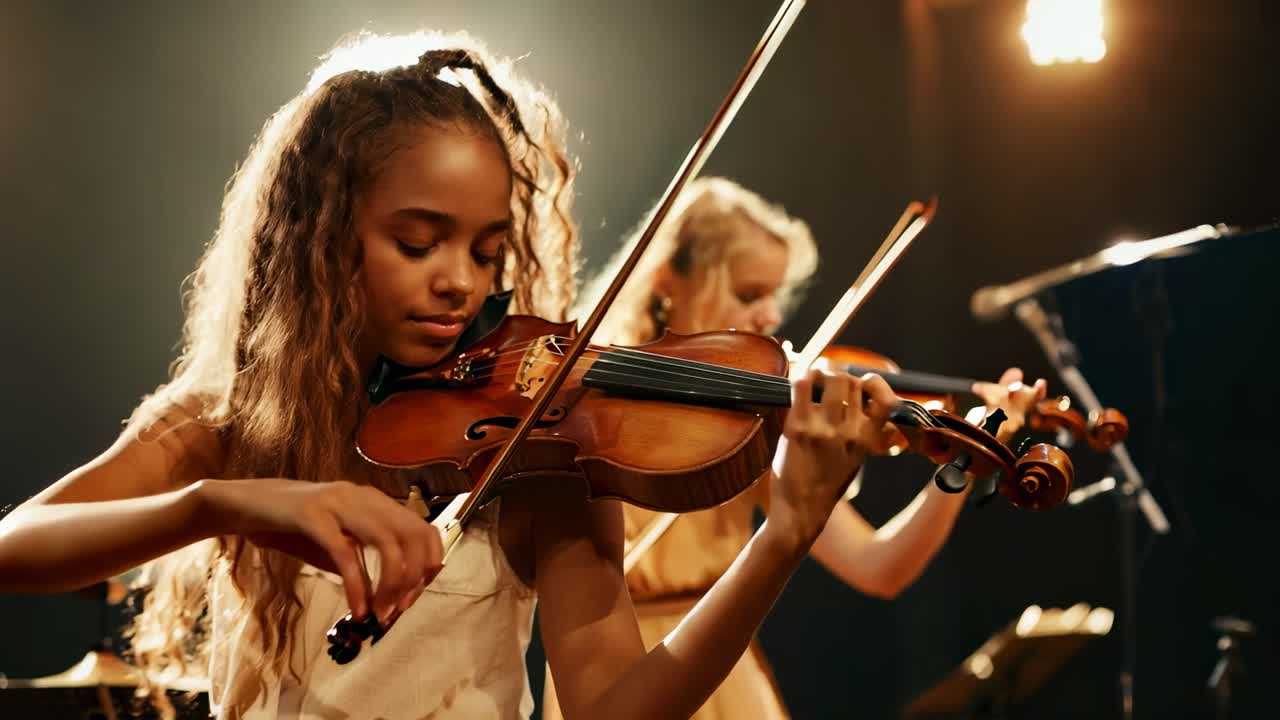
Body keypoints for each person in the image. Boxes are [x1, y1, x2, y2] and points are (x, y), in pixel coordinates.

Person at [0, 32, 899, 720]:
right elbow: (15, 548)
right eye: (418, 242)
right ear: (322, 237)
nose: (460, 280)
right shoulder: (233, 420)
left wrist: (783, 535)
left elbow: (618, 708)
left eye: (486, 250)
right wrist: (223, 503)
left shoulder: (540, 448)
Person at [541, 177, 1047, 720]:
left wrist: (964, 459)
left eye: (774, 297)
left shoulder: (748, 426)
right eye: (749, 293)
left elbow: (879, 567)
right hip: (608, 680)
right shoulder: (583, 409)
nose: (771, 318)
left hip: (721, 676)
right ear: (668, 283)